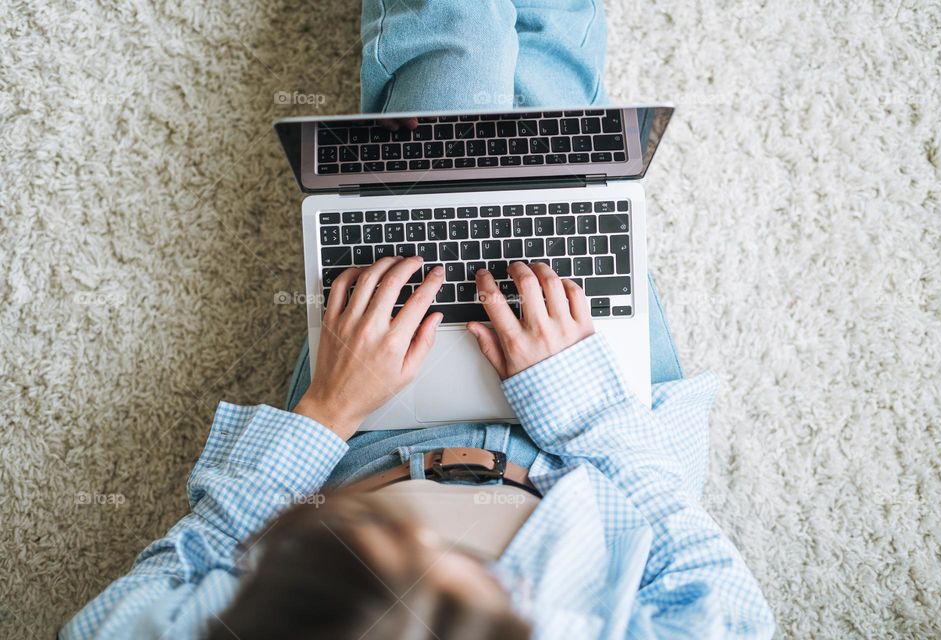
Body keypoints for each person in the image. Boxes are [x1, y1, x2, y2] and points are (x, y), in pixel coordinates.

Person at [60, 1, 775, 638]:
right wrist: (582, 404)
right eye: (455, 566)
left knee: (456, 54)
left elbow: (142, 597)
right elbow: (727, 604)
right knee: (551, 86)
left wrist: (326, 412)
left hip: (364, 432)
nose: (433, 528)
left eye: (361, 541)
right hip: (605, 461)